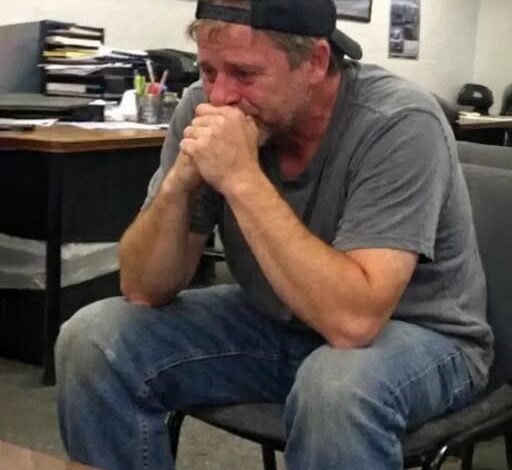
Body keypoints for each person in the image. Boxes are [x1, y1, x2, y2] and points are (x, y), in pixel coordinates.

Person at [55, 0, 494, 469]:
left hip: (420, 335)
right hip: (278, 322)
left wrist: (241, 178)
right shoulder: (203, 105)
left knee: (338, 389)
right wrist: (179, 184)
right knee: (95, 340)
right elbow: (144, 288)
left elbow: (353, 322)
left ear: (315, 62)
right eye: (209, 70)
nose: (220, 96)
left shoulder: (398, 121)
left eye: (244, 74)